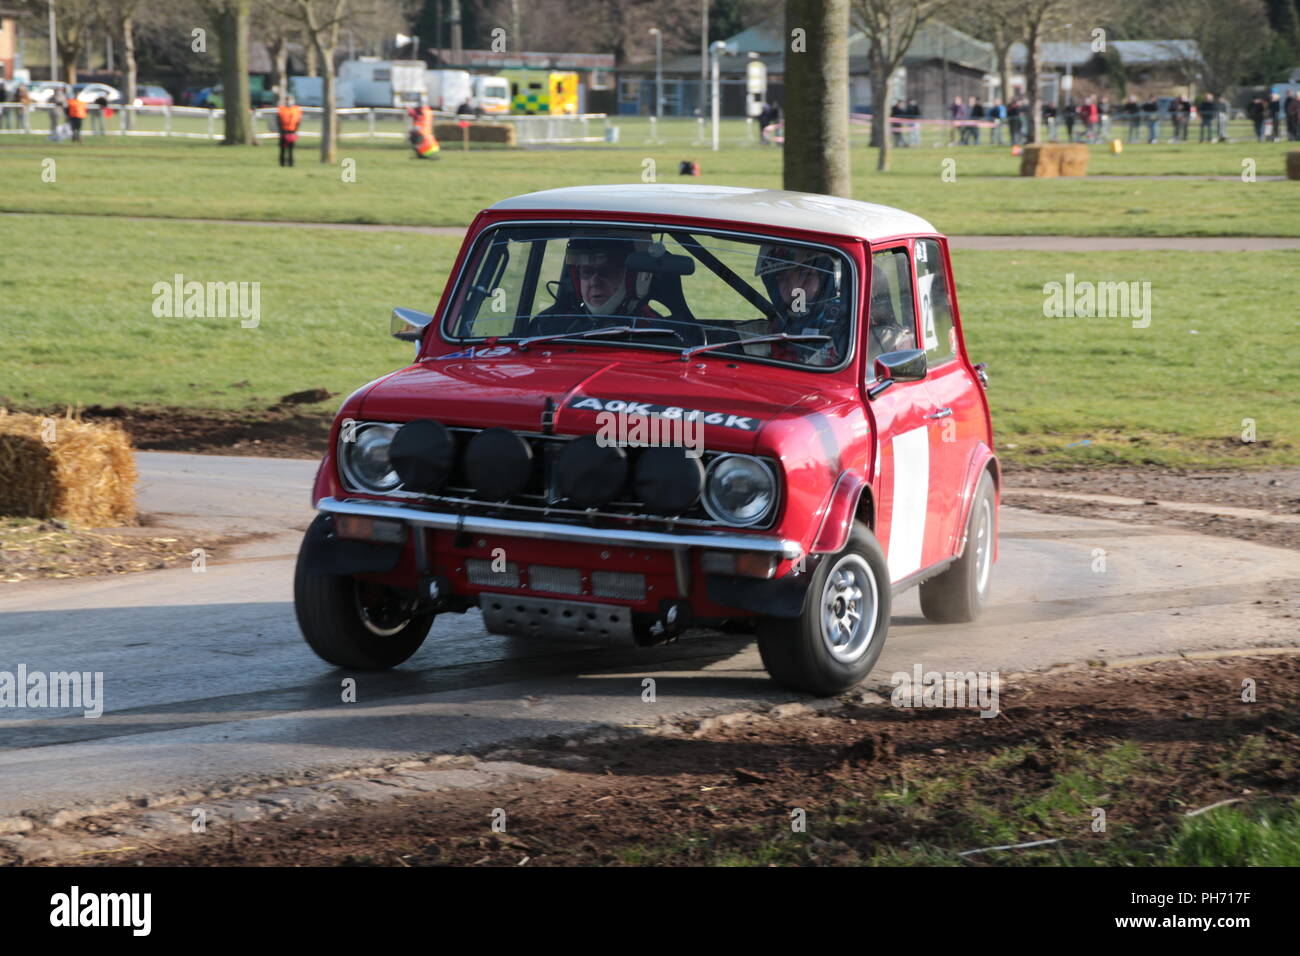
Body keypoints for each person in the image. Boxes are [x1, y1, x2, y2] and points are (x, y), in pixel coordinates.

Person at [754, 244, 847, 365]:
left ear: (826, 277)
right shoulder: (759, 334)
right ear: (773, 287)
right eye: (782, 279)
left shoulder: (851, 329)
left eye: (805, 274)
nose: (794, 289)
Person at [277, 95, 302, 166]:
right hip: (283, 131)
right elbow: (278, 121)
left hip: (292, 131)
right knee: (282, 148)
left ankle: (291, 163)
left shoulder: (296, 110)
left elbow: (298, 121)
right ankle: (282, 164)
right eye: (287, 100)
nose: (289, 102)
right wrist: (281, 131)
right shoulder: (282, 109)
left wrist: (296, 131)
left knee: (291, 149)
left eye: (290, 100)